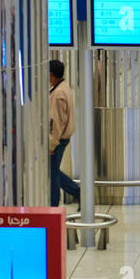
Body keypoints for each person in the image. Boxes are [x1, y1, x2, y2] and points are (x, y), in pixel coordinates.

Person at [49, 61, 80, 208]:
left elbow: (57, 122)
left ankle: (54, 205)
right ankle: (78, 192)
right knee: (53, 171)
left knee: (52, 174)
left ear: (52, 75)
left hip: (58, 139)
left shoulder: (58, 94)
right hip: (62, 138)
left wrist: (52, 144)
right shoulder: (63, 87)